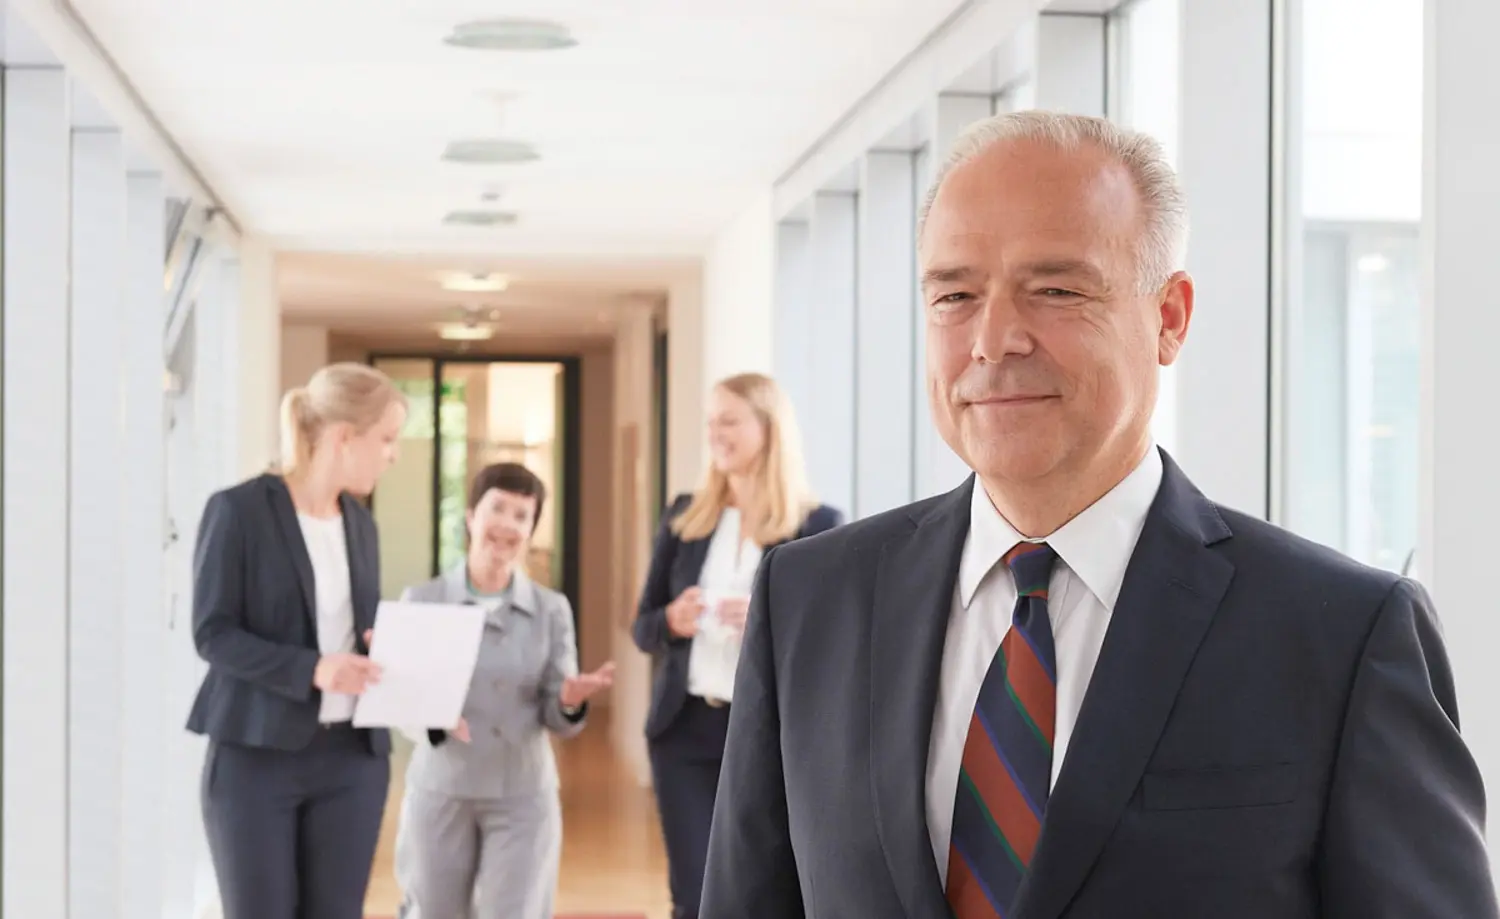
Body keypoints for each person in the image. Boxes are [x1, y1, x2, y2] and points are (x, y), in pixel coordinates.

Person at [700, 111, 1498, 919]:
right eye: (955, 294)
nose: (993, 338)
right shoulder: (809, 599)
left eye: (1055, 289)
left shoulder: (1341, 635)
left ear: (1170, 317)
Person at [186, 362, 407, 919]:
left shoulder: (361, 525)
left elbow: (353, 634)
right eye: (386, 438)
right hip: (256, 759)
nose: (393, 454)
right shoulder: (237, 512)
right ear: (343, 437)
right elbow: (213, 633)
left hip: (353, 763)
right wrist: (311, 668)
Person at [633, 372, 845, 919]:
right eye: (711, 422)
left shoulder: (817, 525)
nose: (715, 434)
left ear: (767, 428)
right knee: (693, 893)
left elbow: (831, 642)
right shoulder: (686, 515)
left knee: (765, 892)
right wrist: (673, 619)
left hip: (767, 737)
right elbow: (643, 626)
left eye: (728, 420)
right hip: (683, 732)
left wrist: (765, 620)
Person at [395, 461, 615, 919]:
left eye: (522, 516)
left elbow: (558, 717)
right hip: (442, 789)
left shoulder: (552, 609)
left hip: (522, 795)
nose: (508, 525)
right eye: (498, 508)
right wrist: (432, 715)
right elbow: (403, 706)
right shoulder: (423, 601)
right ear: (472, 515)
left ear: (531, 530)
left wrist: (569, 700)